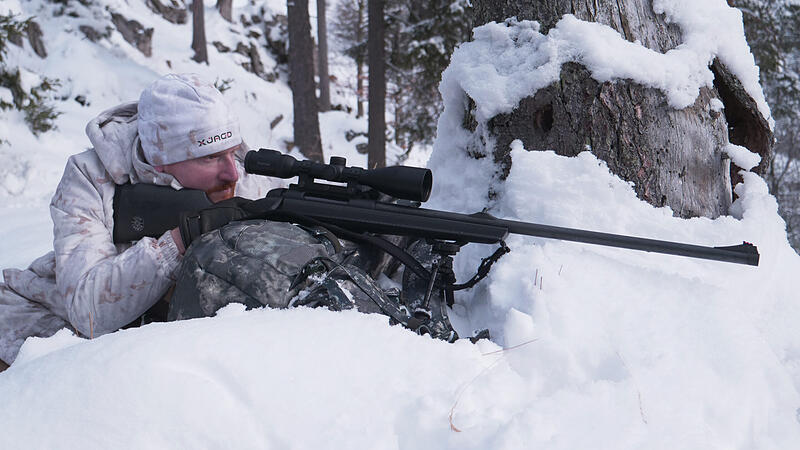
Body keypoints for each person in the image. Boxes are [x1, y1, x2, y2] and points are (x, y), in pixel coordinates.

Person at [0, 73, 275, 371]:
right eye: (209, 158)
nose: (232, 174)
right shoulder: (90, 176)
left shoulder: (247, 178)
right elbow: (87, 313)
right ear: (161, 160)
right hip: (48, 319)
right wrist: (178, 242)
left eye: (232, 154)